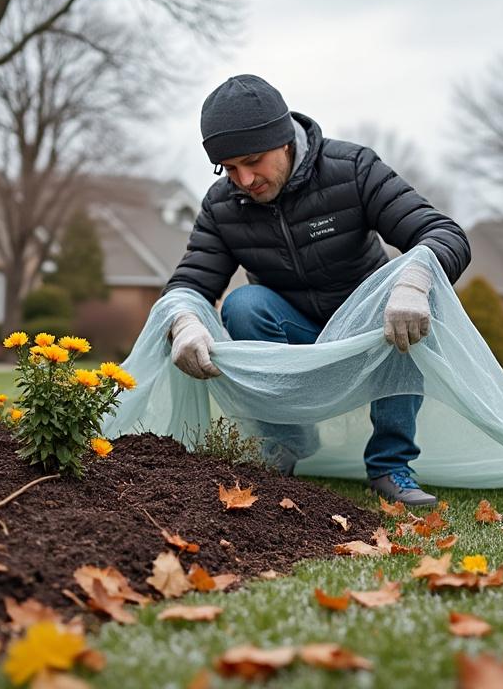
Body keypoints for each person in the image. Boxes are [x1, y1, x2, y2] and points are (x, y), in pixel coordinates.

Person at [163, 74, 470, 506]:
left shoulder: (353, 170)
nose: (245, 179)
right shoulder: (221, 206)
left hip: (374, 336)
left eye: (253, 160)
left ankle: (389, 464)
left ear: (285, 140)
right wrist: (184, 320)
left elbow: (443, 233)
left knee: (408, 292)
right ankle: (285, 446)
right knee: (243, 304)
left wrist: (413, 283)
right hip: (297, 342)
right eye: (229, 168)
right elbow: (189, 282)